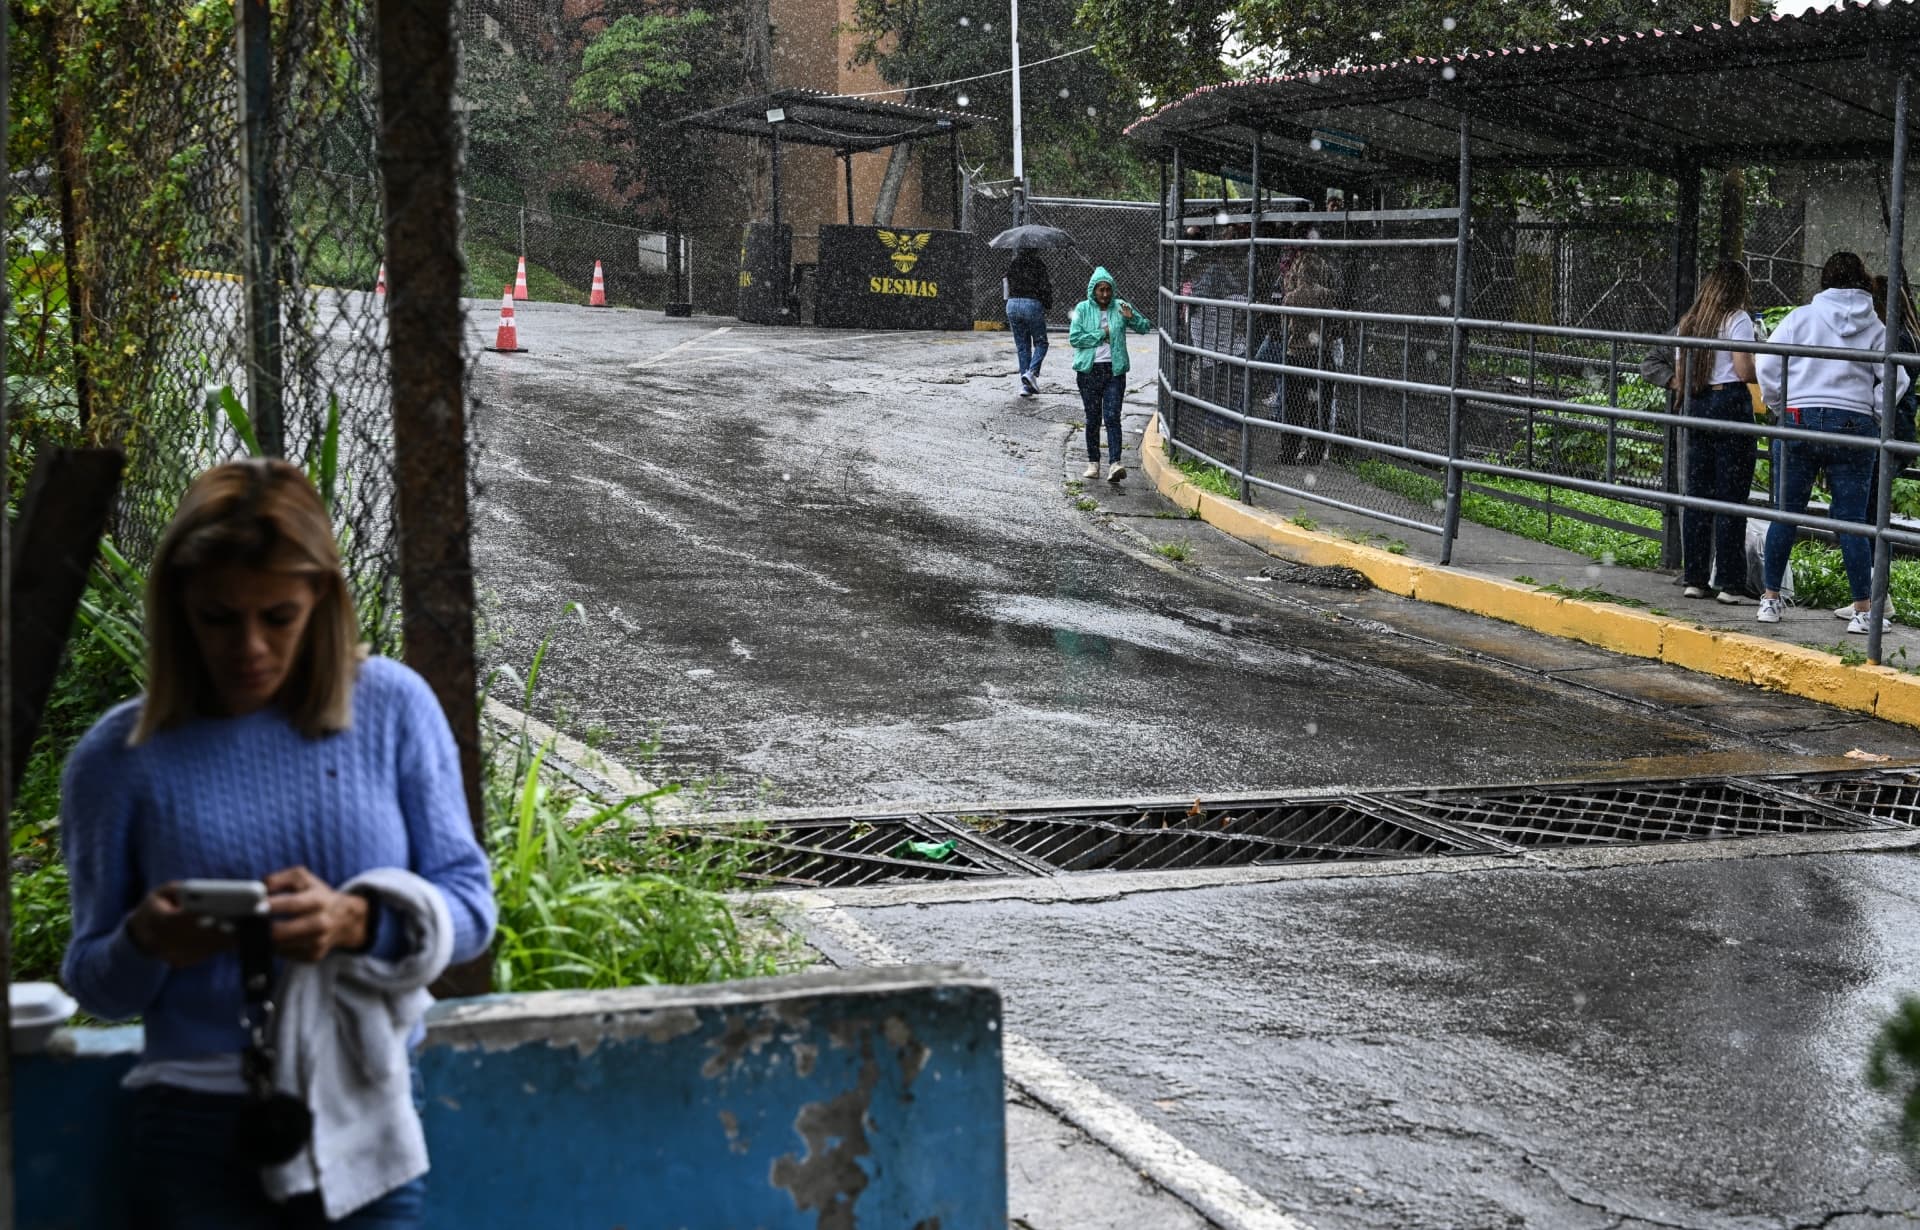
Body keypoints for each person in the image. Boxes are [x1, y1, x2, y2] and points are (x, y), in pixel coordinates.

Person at [60, 459, 497, 1226]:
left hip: (362, 1108)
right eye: (218, 619)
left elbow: (470, 907)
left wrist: (360, 922)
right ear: (178, 609)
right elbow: (95, 983)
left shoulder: (390, 707)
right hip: (189, 1122)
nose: (249, 648)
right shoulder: (118, 757)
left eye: (279, 617)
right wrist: (148, 941)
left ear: (322, 602)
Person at [1754, 251, 1912, 634]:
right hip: (1852, 424)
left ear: (1823, 281)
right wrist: (1871, 412)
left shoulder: (1800, 317)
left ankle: (1771, 600)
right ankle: (1862, 610)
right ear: (1861, 281)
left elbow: (1767, 364)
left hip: (1799, 420)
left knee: (1786, 514)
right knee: (1853, 521)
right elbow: (1899, 379)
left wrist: (1782, 403)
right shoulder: (1876, 326)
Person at [1671, 260, 1761, 604]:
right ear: (1738, 289)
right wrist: (1761, 364)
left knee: (1698, 495)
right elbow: (1742, 370)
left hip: (1698, 405)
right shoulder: (1738, 319)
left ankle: (1694, 577)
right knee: (1731, 495)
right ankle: (1729, 581)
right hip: (1730, 404)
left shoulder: (1688, 322)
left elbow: (1682, 373)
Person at [1069, 266, 1154, 482]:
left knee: (1113, 416)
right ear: (1093, 291)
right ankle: (1093, 462)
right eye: (1101, 290)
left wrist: (1132, 317)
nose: (1105, 294)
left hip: (1114, 371)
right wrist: (1101, 334)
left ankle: (1115, 463)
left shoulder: (1120, 307)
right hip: (1089, 371)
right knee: (1093, 418)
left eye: (1108, 289)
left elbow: (1145, 327)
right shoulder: (1082, 309)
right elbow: (1075, 338)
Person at [1004, 247, 1053, 397]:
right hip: (1031, 303)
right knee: (1041, 342)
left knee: (1022, 346)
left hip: (1012, 304)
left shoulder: (1013, 264)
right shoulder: (1038, 264)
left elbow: (1006, 285)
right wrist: (1047, 303)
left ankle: (1025, 387)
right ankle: (1031, 373)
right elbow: (1045, 287)